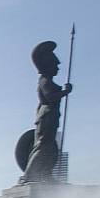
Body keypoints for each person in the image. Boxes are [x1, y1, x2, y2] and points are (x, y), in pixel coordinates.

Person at [22, 41, 72, 183]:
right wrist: (65, 92)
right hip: (47, 117)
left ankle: (46, 174)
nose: (57, 67)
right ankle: (29, 175)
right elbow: (50, 97)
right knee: (43, 146)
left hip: (51, 116)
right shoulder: (44, 81)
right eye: (55, 64)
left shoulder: (47, 80)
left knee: (51, 149)